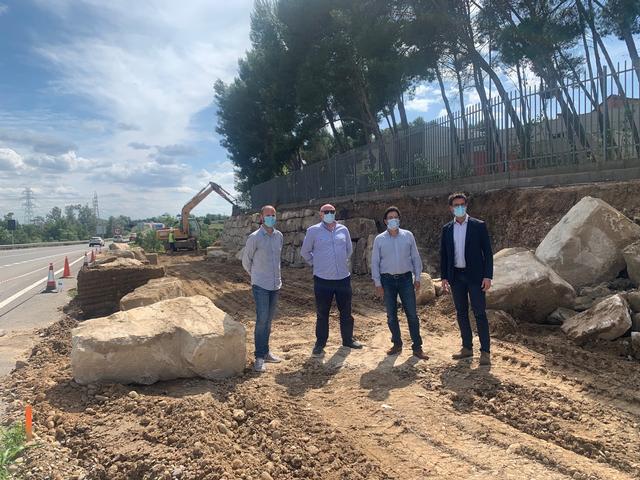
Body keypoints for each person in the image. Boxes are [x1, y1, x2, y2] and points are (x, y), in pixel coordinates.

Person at [300, 204, 363, 357]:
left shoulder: (343, 230)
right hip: (323, 280)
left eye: (332, 211)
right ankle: (320, 344)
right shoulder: (313, 231)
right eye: (326, 212)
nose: (329, 214)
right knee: (322, 313)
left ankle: (348, 340)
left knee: (346, 312)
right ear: (320, 214)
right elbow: (305, 252)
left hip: (343, 278)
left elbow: (349, 249)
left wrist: (340, 262)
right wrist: (316, 263)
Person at [440, 193, 493, 365]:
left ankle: (485, 352)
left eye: (462, 204)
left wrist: (487, 276)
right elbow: (444, 255)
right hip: (456, 277)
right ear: (451, 208)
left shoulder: (478, 226)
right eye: (456, 205)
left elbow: (488, 253)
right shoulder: (447, 229)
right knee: (461, 313)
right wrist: (444, 277)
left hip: (475, 276)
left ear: (466, 205)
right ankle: (467, 347)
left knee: (479, 313)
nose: (459, 207)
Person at [371, 206, 429, 360]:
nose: (393, 220)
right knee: (391, 315)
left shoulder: (408, 236)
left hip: (405, 280)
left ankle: (417, 347)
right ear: (385, 221)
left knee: (412, 315)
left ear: (399, 219)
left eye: (395, 217)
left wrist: (418, 278)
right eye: (390, 218)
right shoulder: (379, 239)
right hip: (387, 281)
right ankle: (397, 343)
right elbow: (375, 262)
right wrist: (377, 283)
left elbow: (415, 257)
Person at [242, 205, 284, 372]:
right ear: (261, 217)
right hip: (261, 285)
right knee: (261, 320)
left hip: (275, 284)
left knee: (268, 321)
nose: (271, 217)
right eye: (268, 215)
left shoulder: (279, 236)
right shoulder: (254, 238)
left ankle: (266, 352)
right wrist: (256, 276)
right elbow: (246, 261)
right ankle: (259, 357)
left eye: (273, 215)